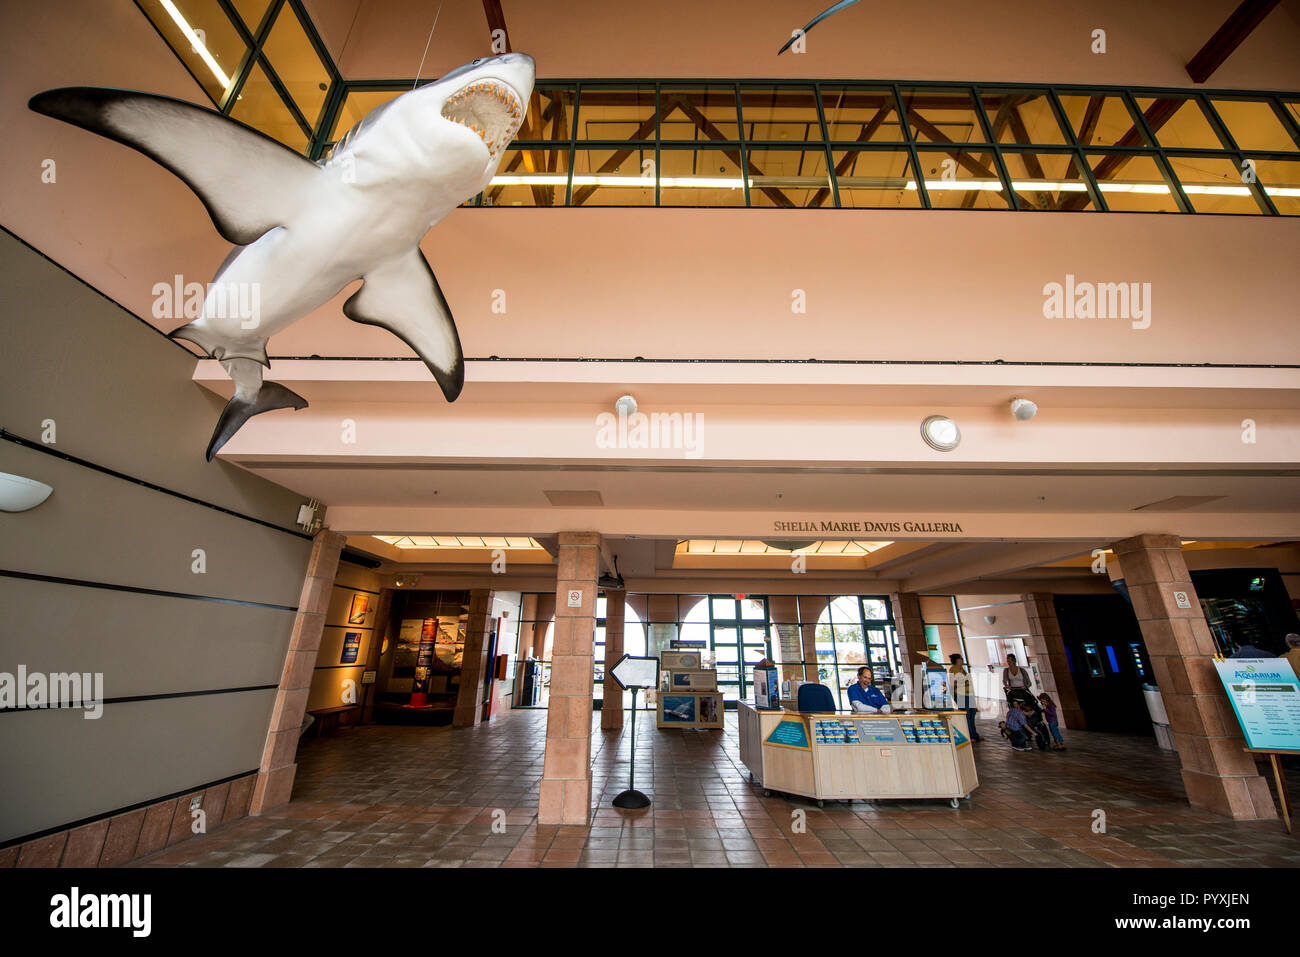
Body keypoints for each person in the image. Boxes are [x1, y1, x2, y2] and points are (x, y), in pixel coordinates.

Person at [948, 653, 981, 742]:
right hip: (961, 695)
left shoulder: (962, 669)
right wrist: (963, 683)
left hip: (968, 694)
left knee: (972, 714)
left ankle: (974, 734)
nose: (962, 660)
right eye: (960, 659)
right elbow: (952, 683)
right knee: (967, 716)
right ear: (956, 660)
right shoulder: (953, 670)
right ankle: (970, 735)